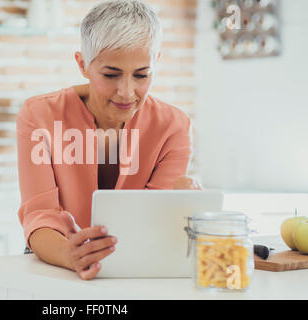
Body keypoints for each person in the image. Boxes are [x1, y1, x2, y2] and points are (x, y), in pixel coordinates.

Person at [16, 0, 201, 280]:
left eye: (141, 75)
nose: (127, 92)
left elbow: (154, 219)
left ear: (156, 64)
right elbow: (40, 216)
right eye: (111, 74)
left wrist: (181, 207)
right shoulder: (39, 115)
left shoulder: (173, 126)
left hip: (137, 265)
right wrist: (69, 254)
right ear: (83, 65)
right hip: (57, 263)